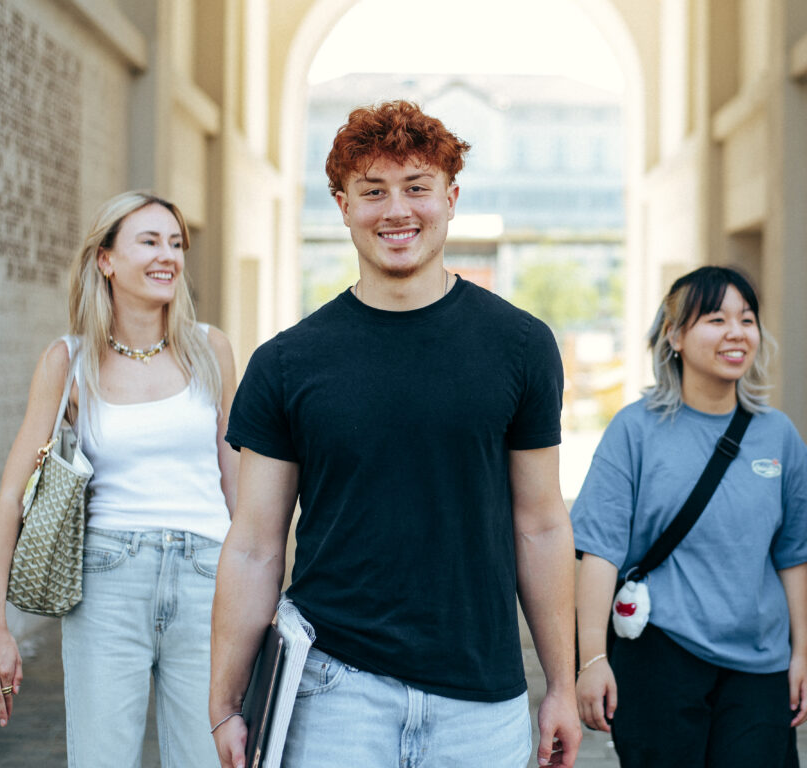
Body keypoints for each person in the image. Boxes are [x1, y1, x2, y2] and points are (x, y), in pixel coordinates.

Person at [209, 100, 581, 768]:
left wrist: (561, 683)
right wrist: (227, 702)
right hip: (333, 690)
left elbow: (543, 524)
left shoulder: (521, 346)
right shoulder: (288, 363)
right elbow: (256, 545)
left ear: (452, 197)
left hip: (481, 696)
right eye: (373, 191)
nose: (397, 210)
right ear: (342, 204)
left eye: (417, 188)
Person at [0, 191, 238, 766]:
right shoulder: (68, 361)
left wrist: (260, 592)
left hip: (207, 579)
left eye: (175, 243)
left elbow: (236, 484)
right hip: (107, 581)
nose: (167, 254)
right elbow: (11, 498)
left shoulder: (210, 349)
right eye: (148, 241)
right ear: (106, 260)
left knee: (208, 758)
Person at [571, 265, 807, 767]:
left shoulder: (777, 435)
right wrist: (592, 660)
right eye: (716, 319)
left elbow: (793, 554)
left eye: (747, 319)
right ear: (674, 335)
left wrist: (799, 654)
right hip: (660, 657)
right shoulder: (635, 430)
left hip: (758, 664)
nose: (737, 333)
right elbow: (600, 552)